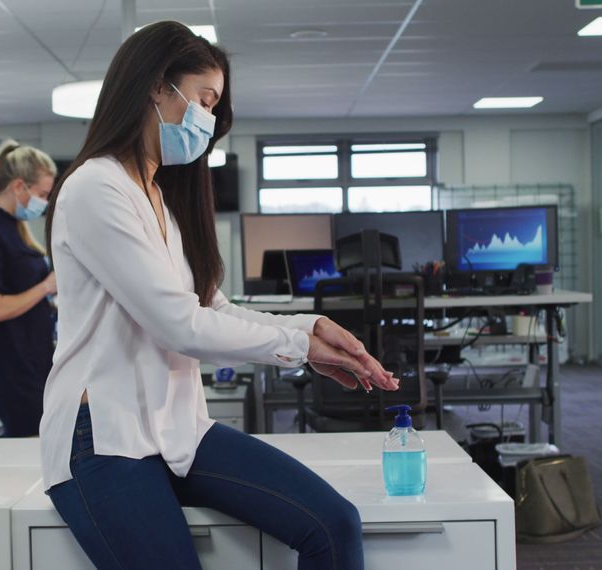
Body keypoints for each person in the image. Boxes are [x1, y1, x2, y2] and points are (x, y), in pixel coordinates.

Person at [40, 21, 399, 569]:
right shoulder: (95, 187)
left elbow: (211, 308)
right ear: (158, 87)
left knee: (333, 524)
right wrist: (300, 350)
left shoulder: (156, 196)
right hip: (103, 439)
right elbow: (179, 324)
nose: (207, 120)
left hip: (176, 427)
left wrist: (309, 326)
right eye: (203, 100)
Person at [0, 140, 58, 437]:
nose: (44, 202)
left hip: (35, 359)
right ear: (19, 187)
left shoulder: (16, 231)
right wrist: (46, 287)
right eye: (42, 194)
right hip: (14, 367)